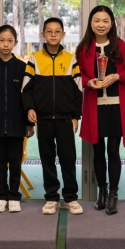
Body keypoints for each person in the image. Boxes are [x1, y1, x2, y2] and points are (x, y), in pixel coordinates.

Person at [76, 5, 125, 215]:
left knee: (113, 151)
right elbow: (78, 75)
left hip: (116, 107)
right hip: (94, 107)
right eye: (97, 20)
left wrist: (117, 76)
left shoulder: (120, 46)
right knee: (98, 151)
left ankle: (113, 194)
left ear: (111, 24)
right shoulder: (84, 48)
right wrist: (89, 82)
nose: (101, 24)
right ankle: (101, 191)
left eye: (105, 21)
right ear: (91, 23)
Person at [22, 17, 83, 215]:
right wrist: (30, 108)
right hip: (44, 120)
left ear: (63, 35)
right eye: (49, 31)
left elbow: (78, 91)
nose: (53, 34)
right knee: (47, 159)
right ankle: (51, 197)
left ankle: (71, 197)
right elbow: (26, 89)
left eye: (57, 31)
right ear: (43, 34)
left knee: (68, 159)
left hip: (66, 119)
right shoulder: (34, 59)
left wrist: (75, 116)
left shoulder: (71, 59)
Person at [0, 25, 34, 213]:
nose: (5, 44)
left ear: (15, 43)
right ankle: (1, 196)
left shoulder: (22, 68)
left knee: (15, 162)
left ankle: (14, 196)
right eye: (2, 40)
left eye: (10, 41)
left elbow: (28, 96)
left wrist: (29, 123)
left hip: (16, 124)